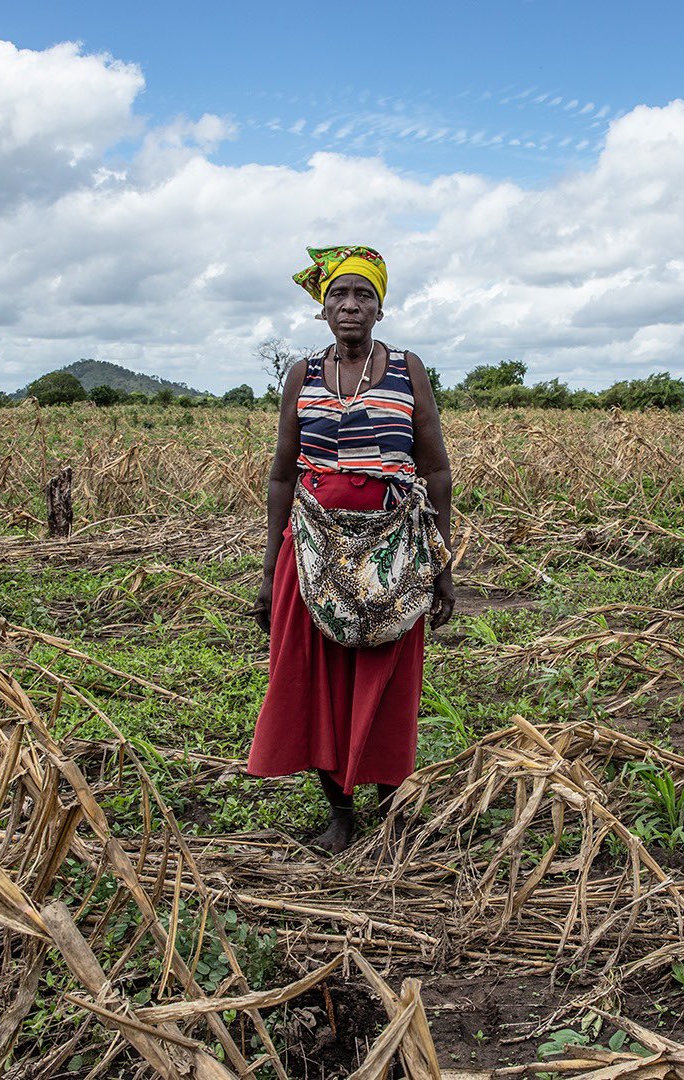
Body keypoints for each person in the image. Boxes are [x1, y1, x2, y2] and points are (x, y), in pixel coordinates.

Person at [247, 245, 454, 853]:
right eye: (339, 294)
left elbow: (435, 469)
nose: (351, 305)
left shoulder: (407, 369)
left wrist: (440, 566)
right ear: (323, 307)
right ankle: (340, 810)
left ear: (380, 308)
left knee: (387, 678)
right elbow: (282, 474)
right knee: (315, 679)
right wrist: (268, 571)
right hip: (311, 548)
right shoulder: (303, 374)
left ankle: (392, 808)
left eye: (364, 295)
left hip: (393, 550)